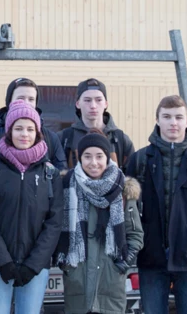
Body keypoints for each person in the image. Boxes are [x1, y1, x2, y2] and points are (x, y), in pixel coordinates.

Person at [126, 95, 187, 314]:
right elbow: (127, 210)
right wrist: (142, 238)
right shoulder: (140, 160)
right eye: (167, 117)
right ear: (157, 120)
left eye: (179, 117)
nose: (173, 123)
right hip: (151, 257)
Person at [0, 100, 64, 314]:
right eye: (19, 128)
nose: (25, 134)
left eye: (30, 129)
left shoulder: (50, 174)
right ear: (9, 130)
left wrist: (34, 264)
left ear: (38, 132)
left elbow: (54, 223)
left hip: (34, 266)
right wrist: (3, 262)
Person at [56, 133, 143, 314]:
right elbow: (55, 229)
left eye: (99, 156)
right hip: (77, 282)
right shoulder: (67, 187)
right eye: (87, 156)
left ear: (107, 158)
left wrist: (122, 264)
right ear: (80, 158)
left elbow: (135, 235)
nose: (93, 162)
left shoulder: (123, 191)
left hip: (110, 285)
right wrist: (65, 264)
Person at [0, 78, 64, 168]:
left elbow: (59, 174)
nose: (26, 103)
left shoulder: (50, 138)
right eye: (20, 98)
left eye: (31, 99)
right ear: (9, 101)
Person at [60, 79, 135, 171]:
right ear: (78, 104)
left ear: (106, 104)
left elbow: (130, 176)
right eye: (87, 100)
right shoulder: (64, 138)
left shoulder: (121, 140)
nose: (93, 106)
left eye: (98, 100)